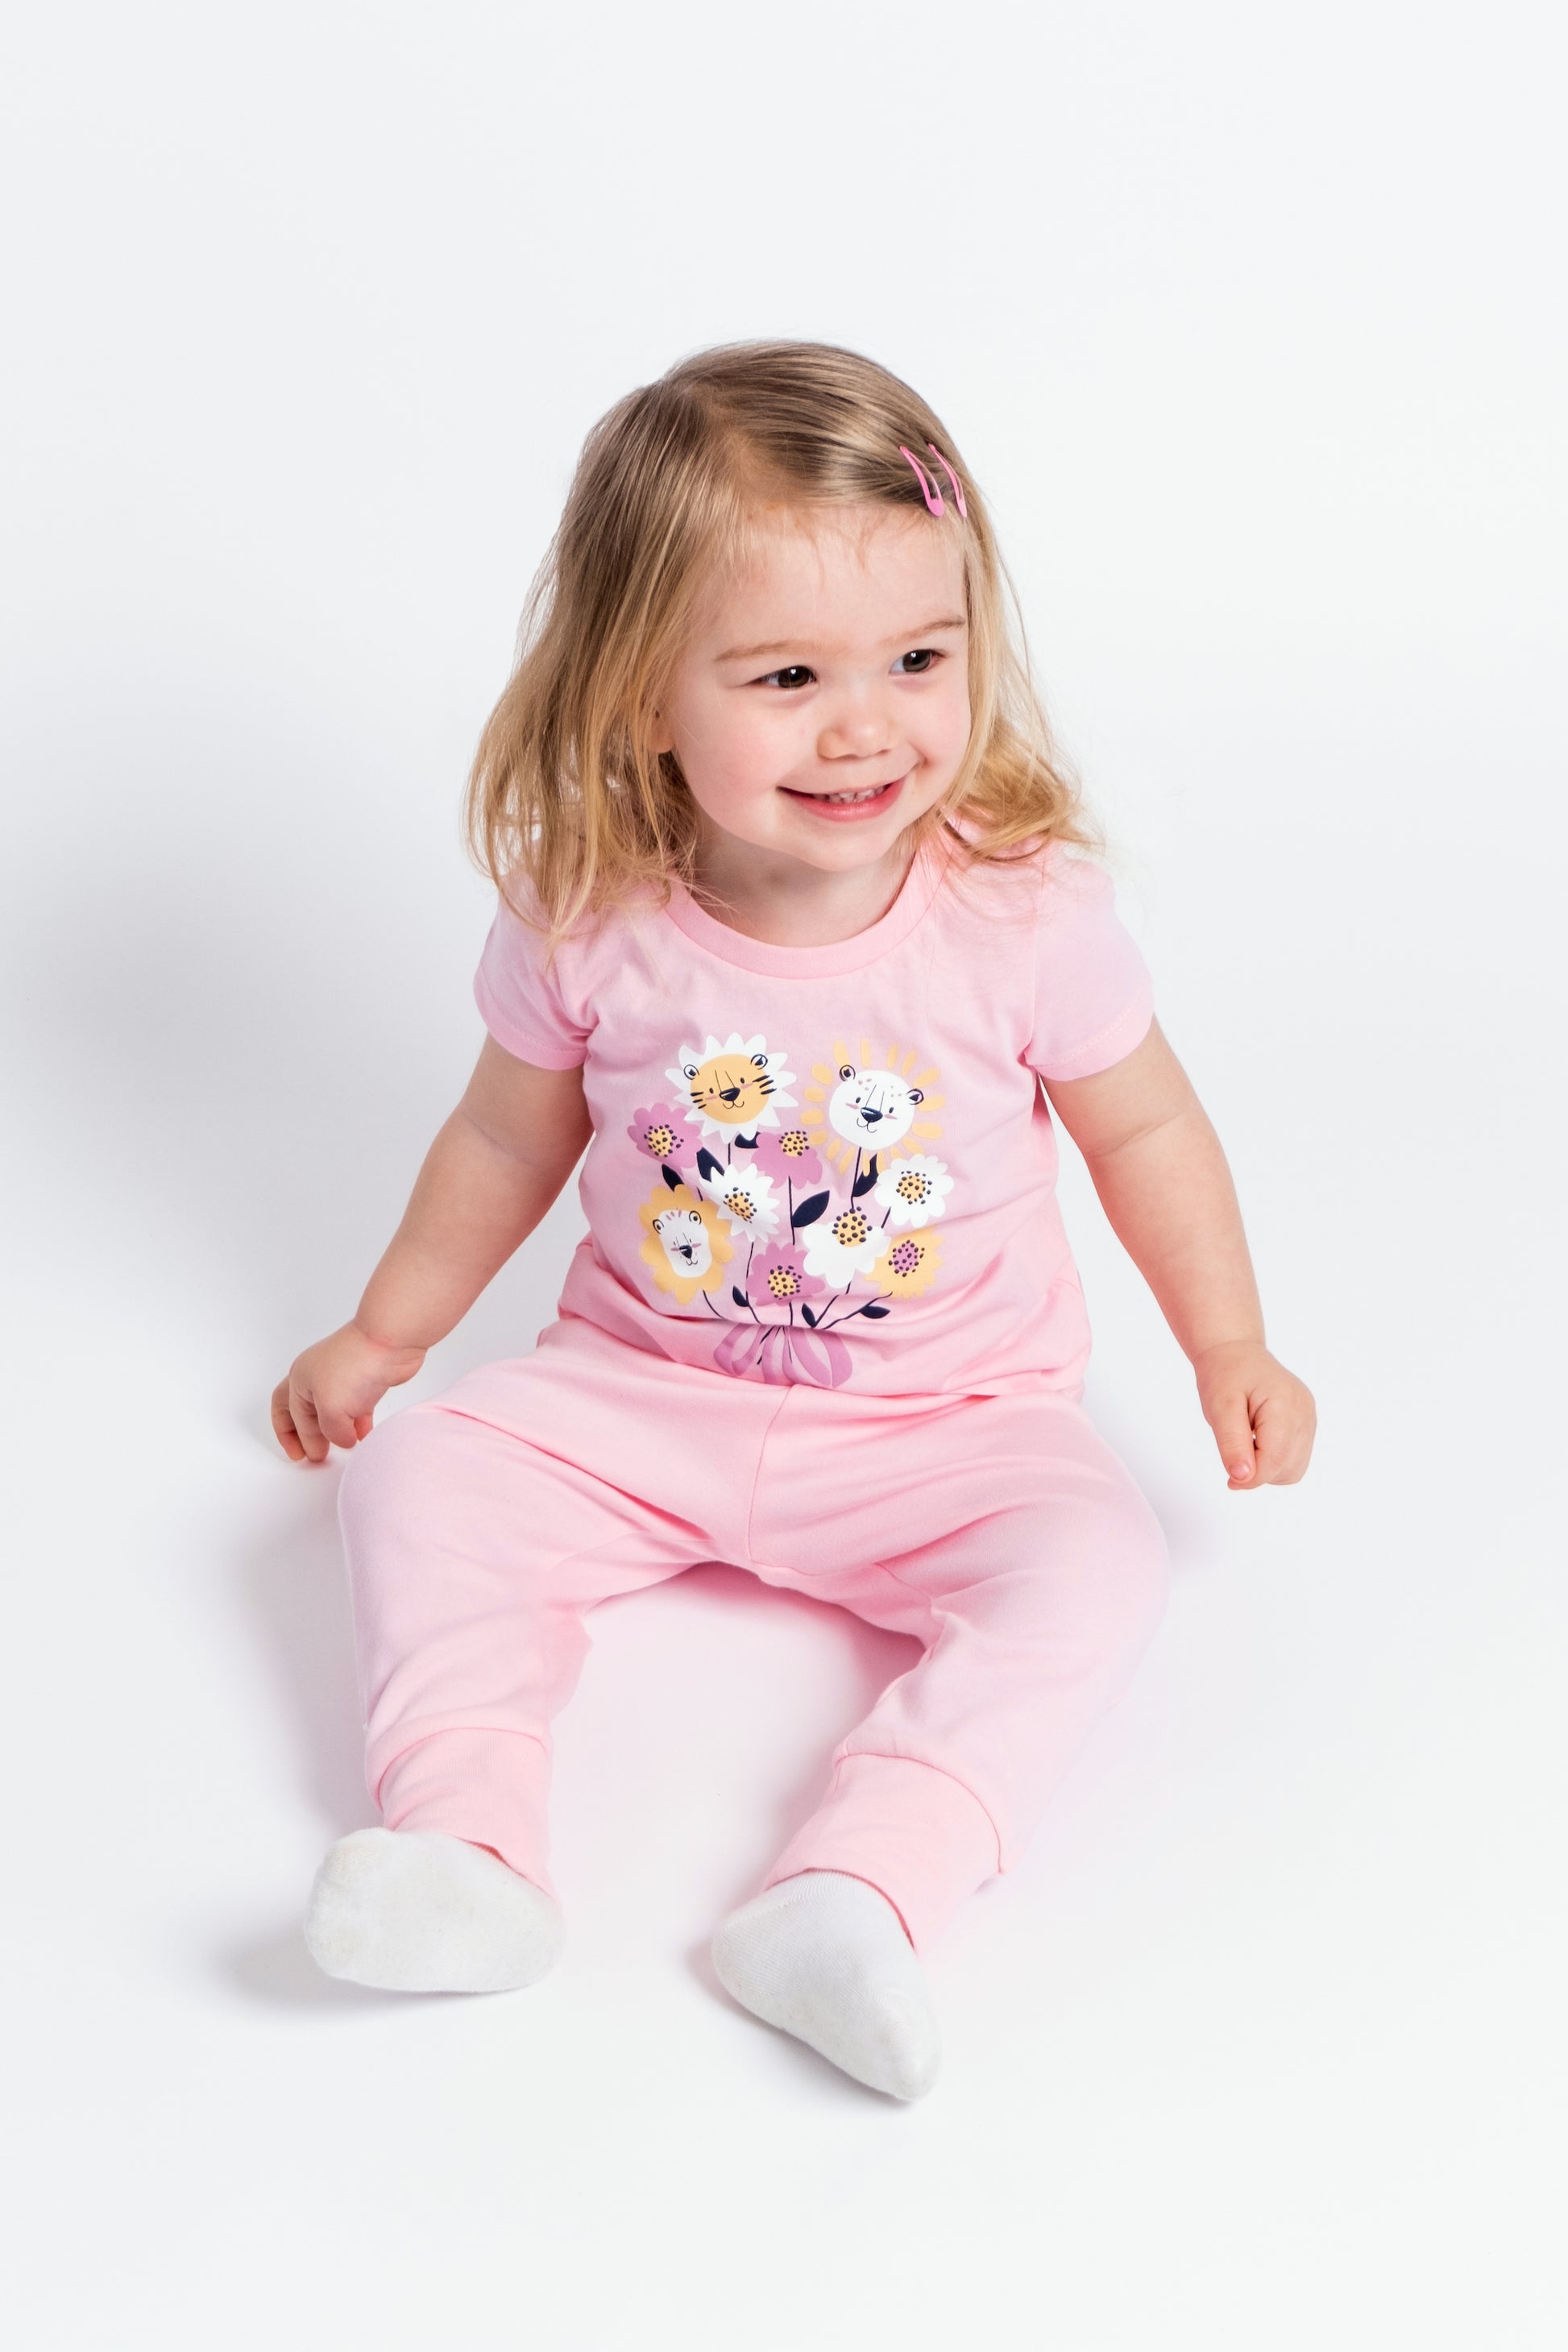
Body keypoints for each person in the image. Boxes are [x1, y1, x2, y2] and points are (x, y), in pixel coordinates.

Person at [272, 341, 1315, 2100]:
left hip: (948, 1424)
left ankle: (861, 1889)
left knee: (1098, 1559)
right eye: (786, 676)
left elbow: (1144, 1123)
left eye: (919, 658)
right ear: (638, 694)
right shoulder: (591, 910)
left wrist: (1229, 1341)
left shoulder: (1021, 914)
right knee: (423, 1478)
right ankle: (463, 1843)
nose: (866, 726)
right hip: (637, 1397)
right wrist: (388, 1335)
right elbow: (500, 1135)